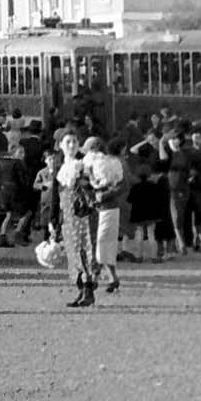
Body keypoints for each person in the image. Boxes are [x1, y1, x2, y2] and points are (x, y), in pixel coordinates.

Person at [57, 131, 100, 308]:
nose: (72, 145)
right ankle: (80, 289)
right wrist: (54, 220)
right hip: (67, 216)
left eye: (75, 141)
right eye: (68, 142)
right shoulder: (60, 167)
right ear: (60, 145)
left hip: (82, 215)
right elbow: (56, 195)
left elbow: (93, 186)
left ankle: (88, 290)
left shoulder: (83, 165)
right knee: (73, 254)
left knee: (85, 251)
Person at [84, 136, 127, 296]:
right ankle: (112, 277)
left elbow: (122, 185)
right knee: (100, 241)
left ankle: (96, 277)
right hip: (96, 206)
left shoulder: (112, 163)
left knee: (103, 241)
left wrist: (106, 194)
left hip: (107, 205)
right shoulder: (92, 163)